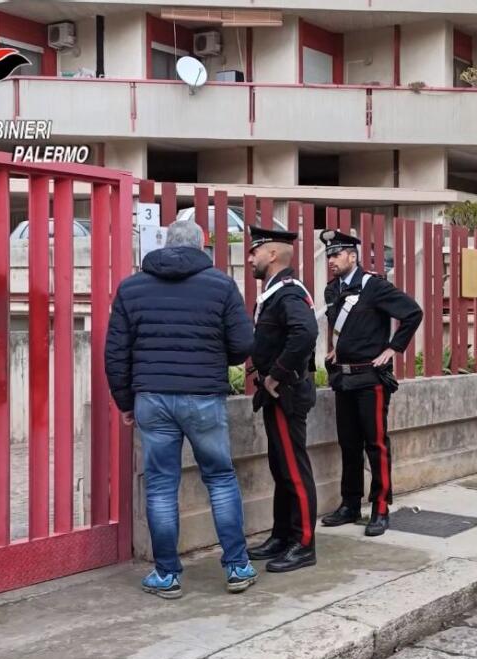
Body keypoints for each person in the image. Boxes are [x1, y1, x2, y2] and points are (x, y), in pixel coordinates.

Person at [104, 219, 257, 600]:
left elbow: (116, 354)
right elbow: (242, 344)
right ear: (201, 245)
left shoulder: (131, 287)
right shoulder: (220, 284)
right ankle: (237, 566)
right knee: (220, 478)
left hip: (151, 398)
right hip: (204, 395)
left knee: (159, 485)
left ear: (165, 244)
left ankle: (166, 574)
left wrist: (125, 402)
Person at [319, 230, 422, 536]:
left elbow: (413, 313)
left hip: (370, 379)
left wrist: (393, 348)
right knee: (348, 444)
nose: (331, 260)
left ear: (352, 256)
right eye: (328, 256)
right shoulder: (331, 290)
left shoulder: (374, 286)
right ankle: (350, 504)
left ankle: (380, 507)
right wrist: (337, 348)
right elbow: (344, 328)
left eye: (337, 255)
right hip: (343, 378)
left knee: (375, 445)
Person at [245, 225, 321, 572]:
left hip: (285, 392)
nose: (250, 258)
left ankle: (304, 543)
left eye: (254, 251)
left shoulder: (287, 292)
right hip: (277, 393)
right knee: (281, 468)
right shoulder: (275, 292)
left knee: (293, 469)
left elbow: (305, 332)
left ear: (272, 254)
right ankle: (282, 536)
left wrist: (275, 373)